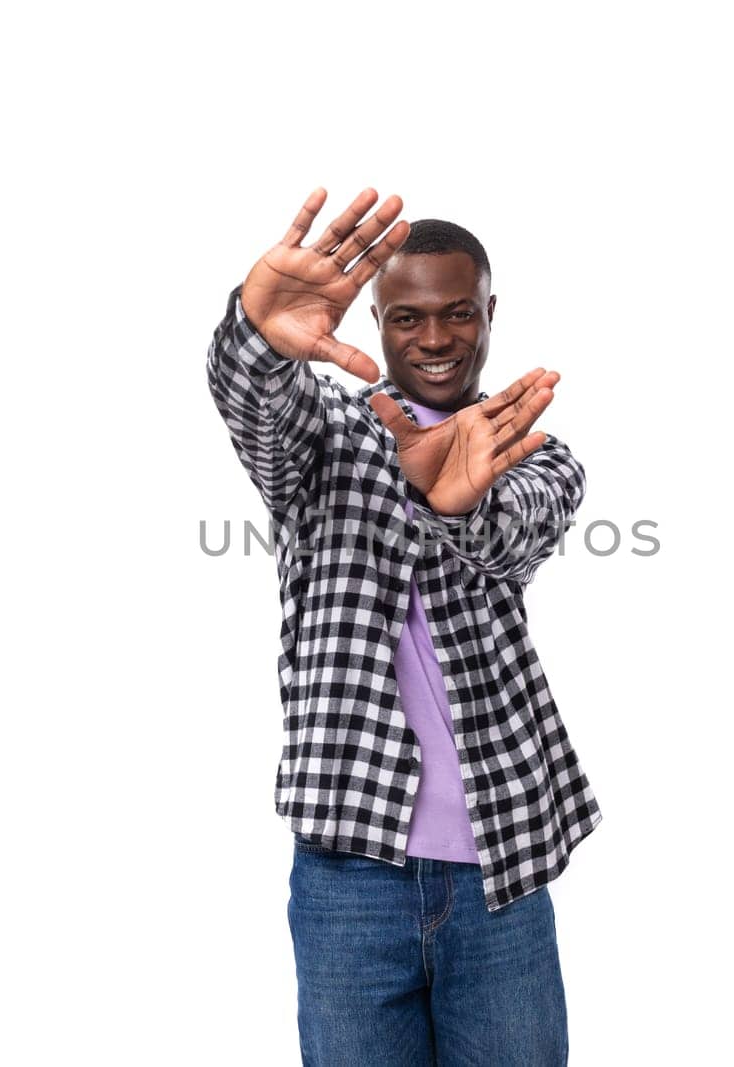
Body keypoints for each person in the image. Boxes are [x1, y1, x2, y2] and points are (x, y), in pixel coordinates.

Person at [205, 186, 602, 1065]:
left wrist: (450, 501)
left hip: (503, 863)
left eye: (458, 313)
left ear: (489, 312)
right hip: (350, 869)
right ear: (378, 321)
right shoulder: (325, 439)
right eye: (408, 316)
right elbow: (255, 411)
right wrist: (255, 338)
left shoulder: (532, 451)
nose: (434, 338)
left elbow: (516, 534)